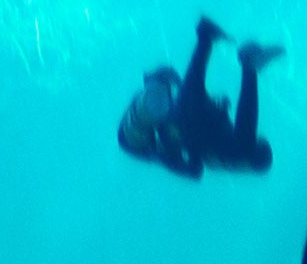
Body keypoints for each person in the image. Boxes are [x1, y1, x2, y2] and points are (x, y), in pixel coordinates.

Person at [117, 18, 283, 177]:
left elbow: (187, 165)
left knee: (187, 108)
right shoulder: (227, 152)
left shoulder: (150, 133)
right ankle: (218, 46)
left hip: (188, 128)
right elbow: (183, 161)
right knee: (188, 107)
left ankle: (228, 52)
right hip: (192, 128)